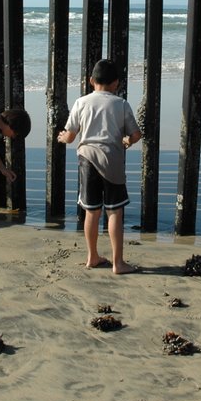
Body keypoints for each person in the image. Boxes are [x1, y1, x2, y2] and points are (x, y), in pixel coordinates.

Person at [58, 59, 142, 274]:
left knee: (91, 211)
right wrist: (127, 142)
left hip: (86, 159)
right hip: (111, 159)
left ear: (91, 81)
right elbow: (135, 134)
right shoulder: (120, 103)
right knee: (115, 212)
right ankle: (118, 263)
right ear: (116, 83)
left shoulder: (81, 102)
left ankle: (92, 256)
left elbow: (70, 136)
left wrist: (61, 137)